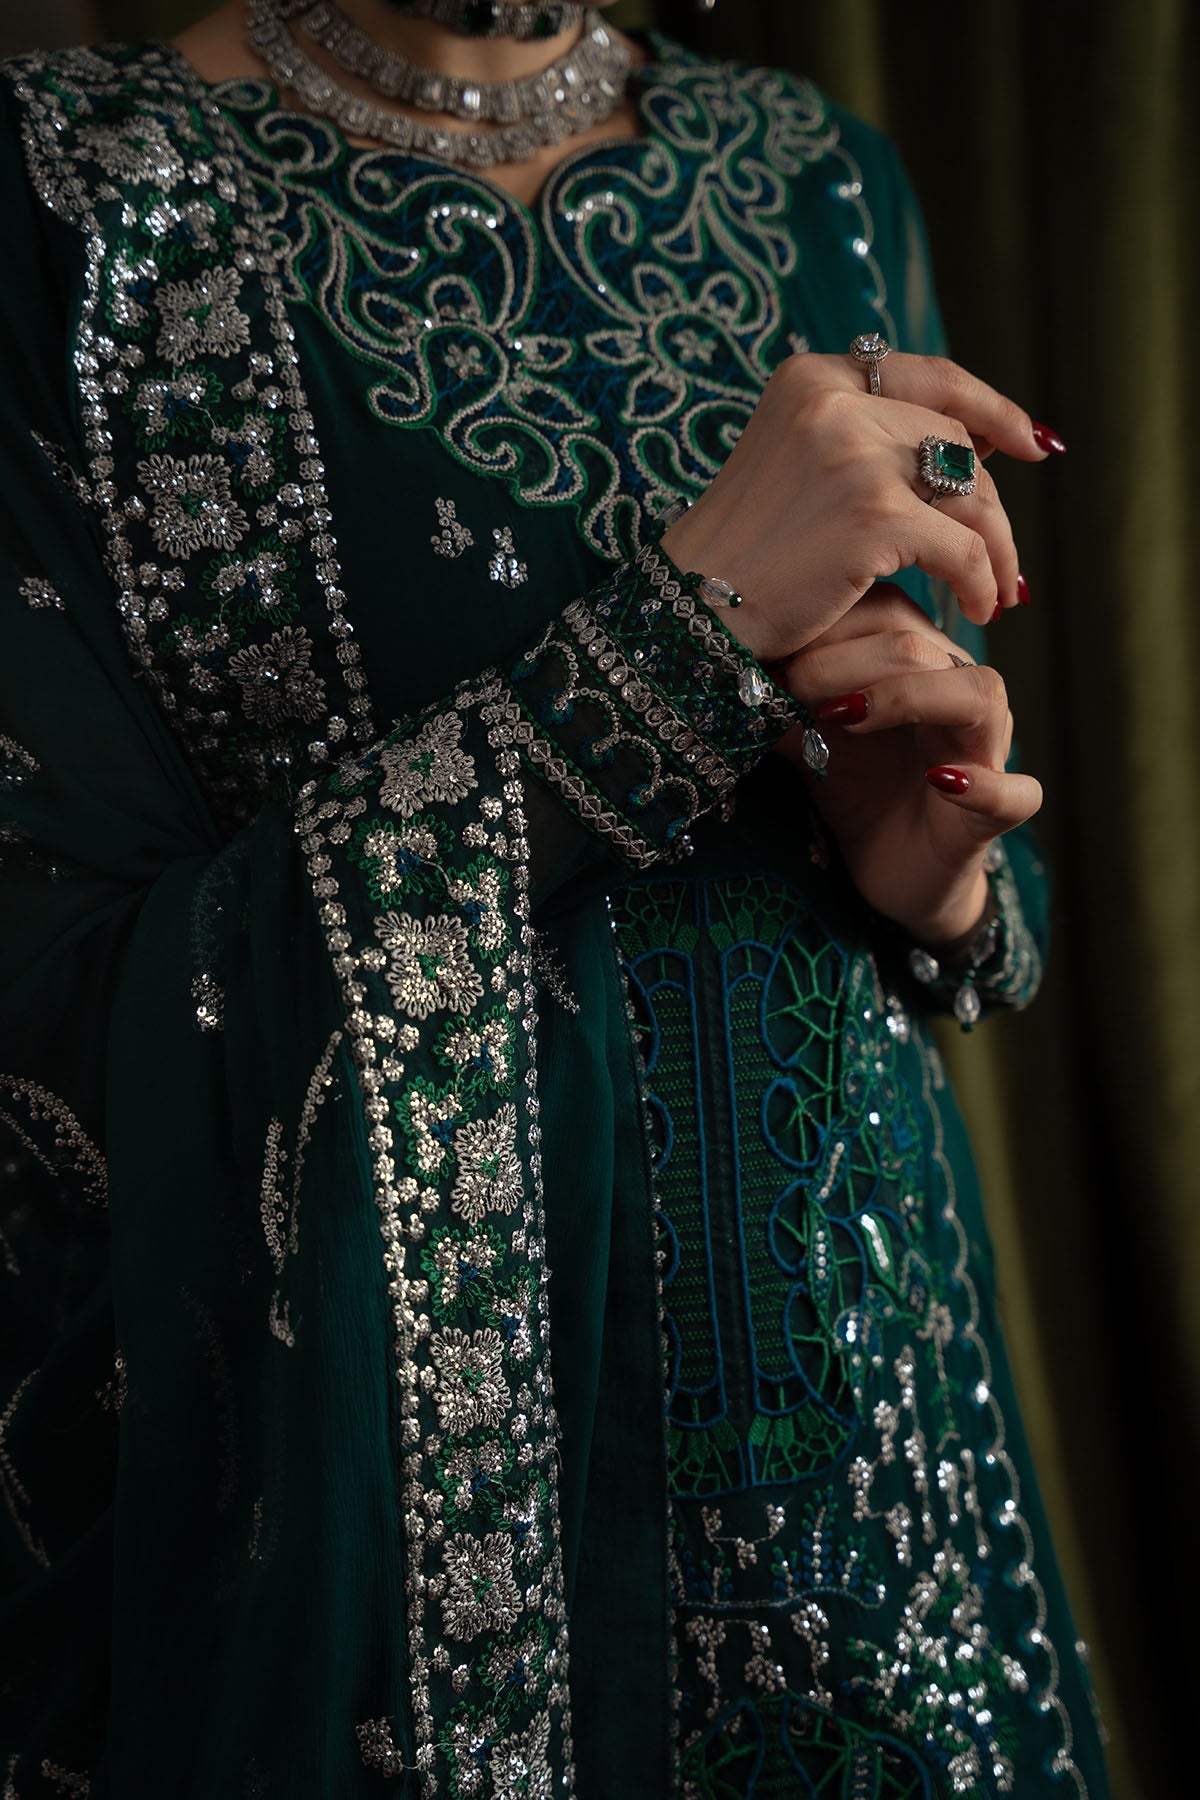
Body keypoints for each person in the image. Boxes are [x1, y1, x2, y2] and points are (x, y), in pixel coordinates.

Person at [0, 1, 1109, 1794]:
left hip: (873, 1503)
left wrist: (938, 878)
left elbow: (948, 802)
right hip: (417, 1570)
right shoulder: (60, 192)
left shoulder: (815, 175)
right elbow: (55, 1026)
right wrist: (666, 645)